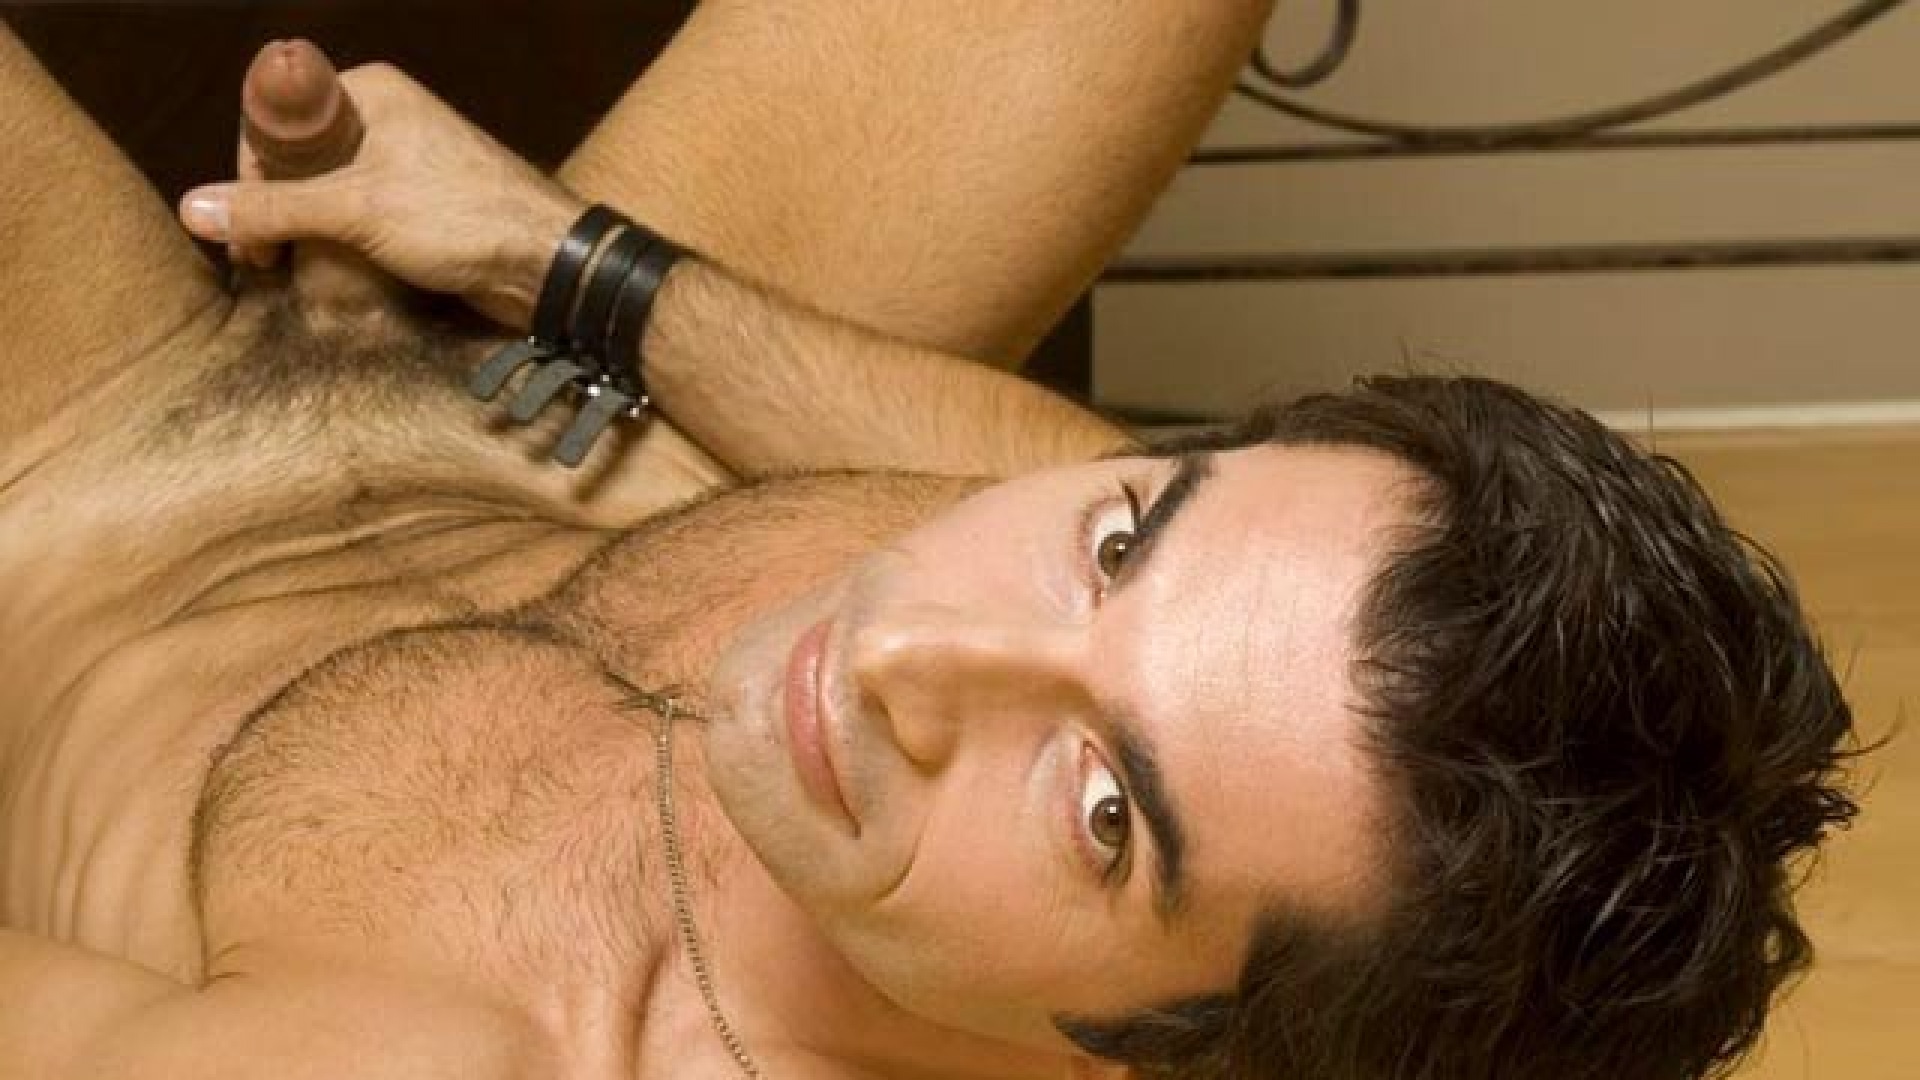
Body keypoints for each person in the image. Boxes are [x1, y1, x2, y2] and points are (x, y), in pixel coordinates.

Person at [0, 23, 1858, 1080]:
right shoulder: (1238, 690)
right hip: (575, 419)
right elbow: (1093, 492)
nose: (908, 651)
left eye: (1102, 811)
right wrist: (547, 254)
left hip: (69, 478)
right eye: (1122, 545)